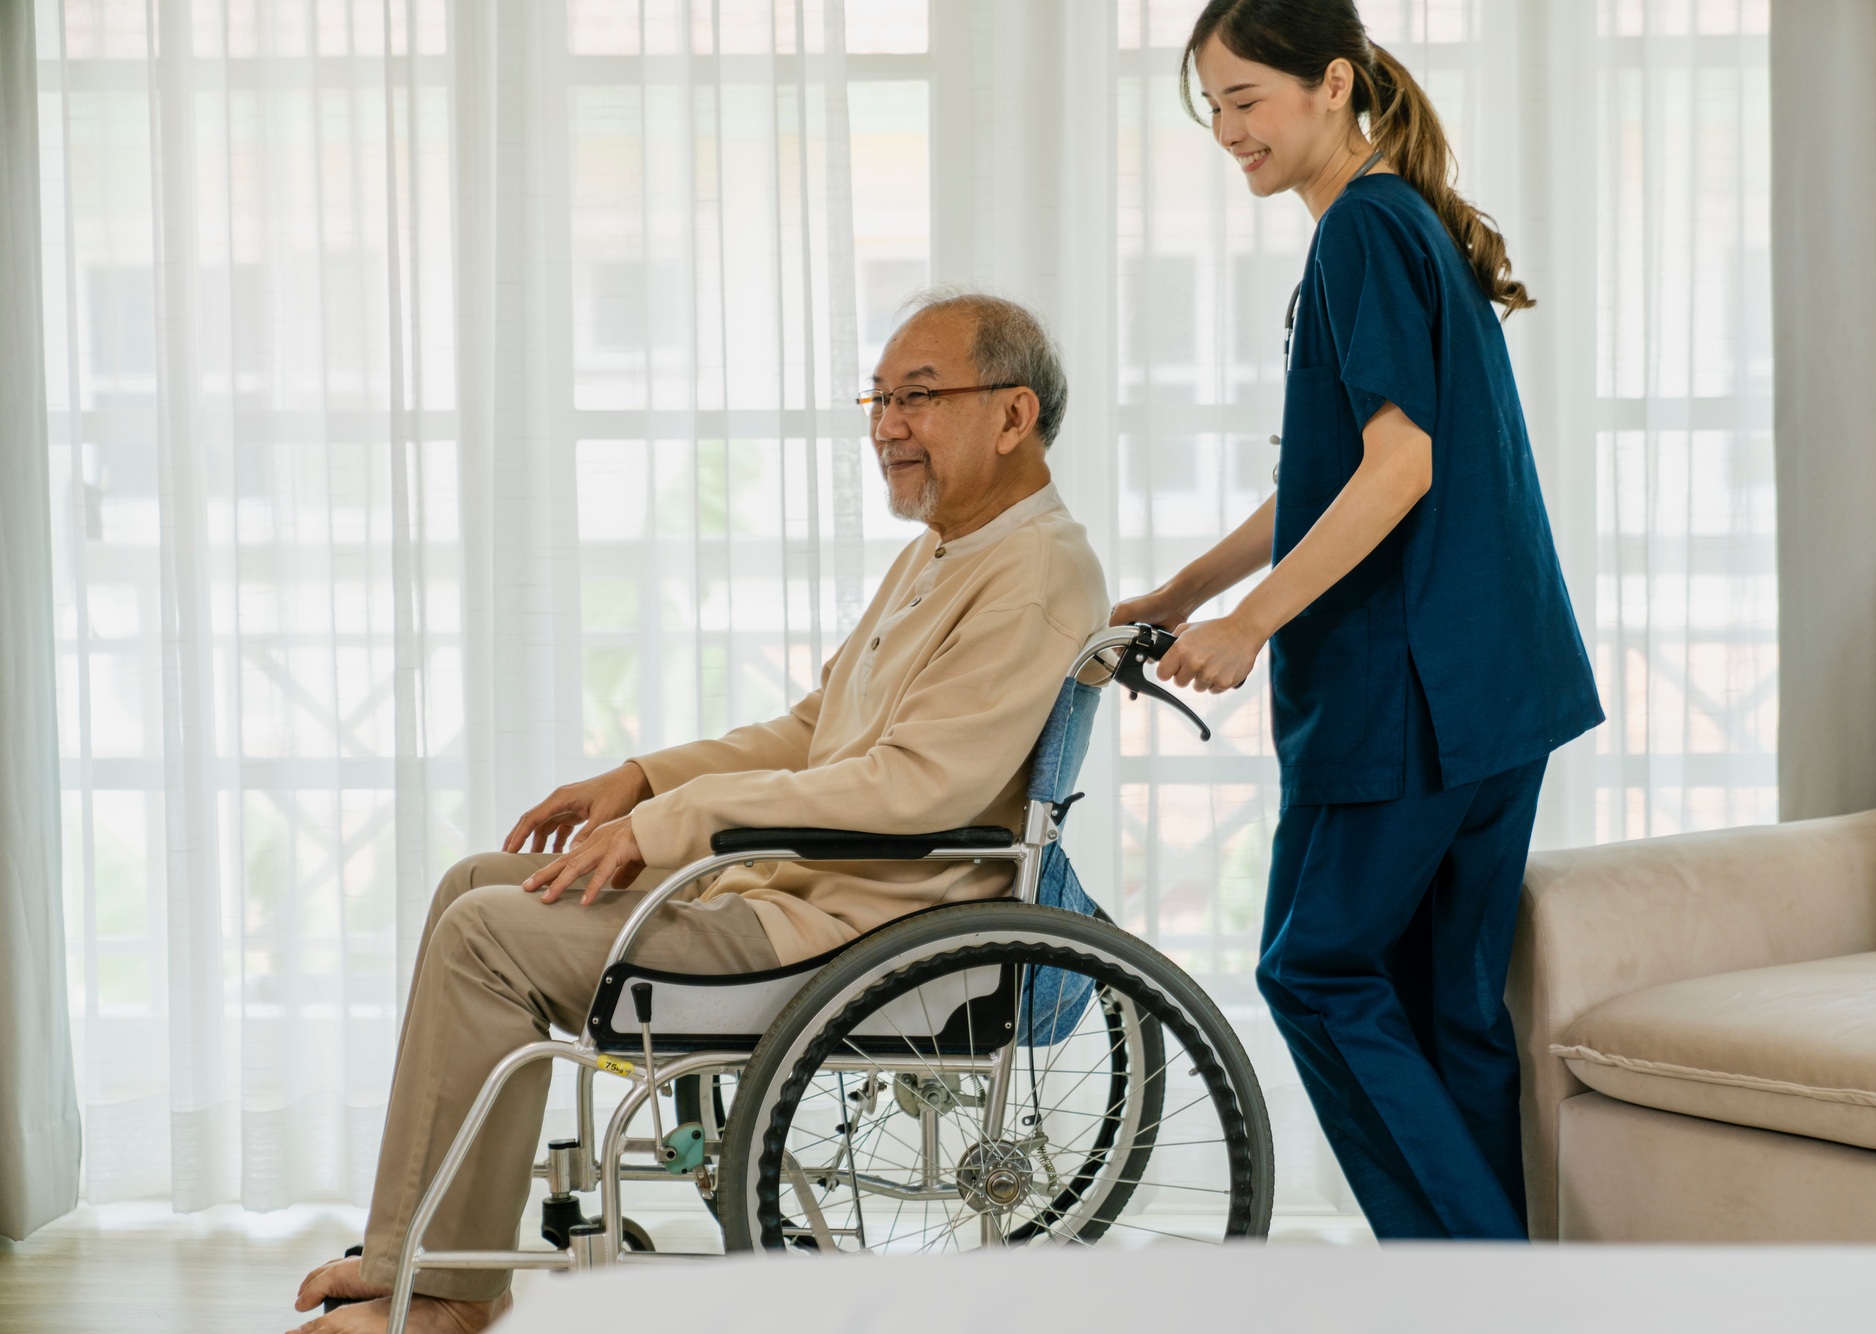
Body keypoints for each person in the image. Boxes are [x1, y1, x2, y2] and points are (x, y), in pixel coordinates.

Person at [289, 290, 1109, 1333]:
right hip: (805, 897)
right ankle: (430, 1252)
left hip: (855, 934)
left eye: (919, 396)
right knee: (474, 883)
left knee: (487, 936)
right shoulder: (947, 551)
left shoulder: (1032, 570)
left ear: (1011, 415)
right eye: (878, 397)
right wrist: (642, 780)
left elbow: (915, 789)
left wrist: (677, 825)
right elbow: (820, 729)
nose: (886, 424)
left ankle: (442, 1288)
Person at [1112, 0, 1602, 1240]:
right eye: (1211, 108)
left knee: (1314, 968)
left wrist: (1253, 625)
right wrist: (1186, 593)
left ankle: (1479, 1283)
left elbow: (1399, 471)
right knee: (1447, 1011)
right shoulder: (1403, 219)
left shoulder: (1358, 233)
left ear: (1333, 82)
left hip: (1408, 700)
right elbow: (1330, 477)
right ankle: (1493, 1290)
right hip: (1498, 689)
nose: (1228, 132)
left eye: (1246, 100)